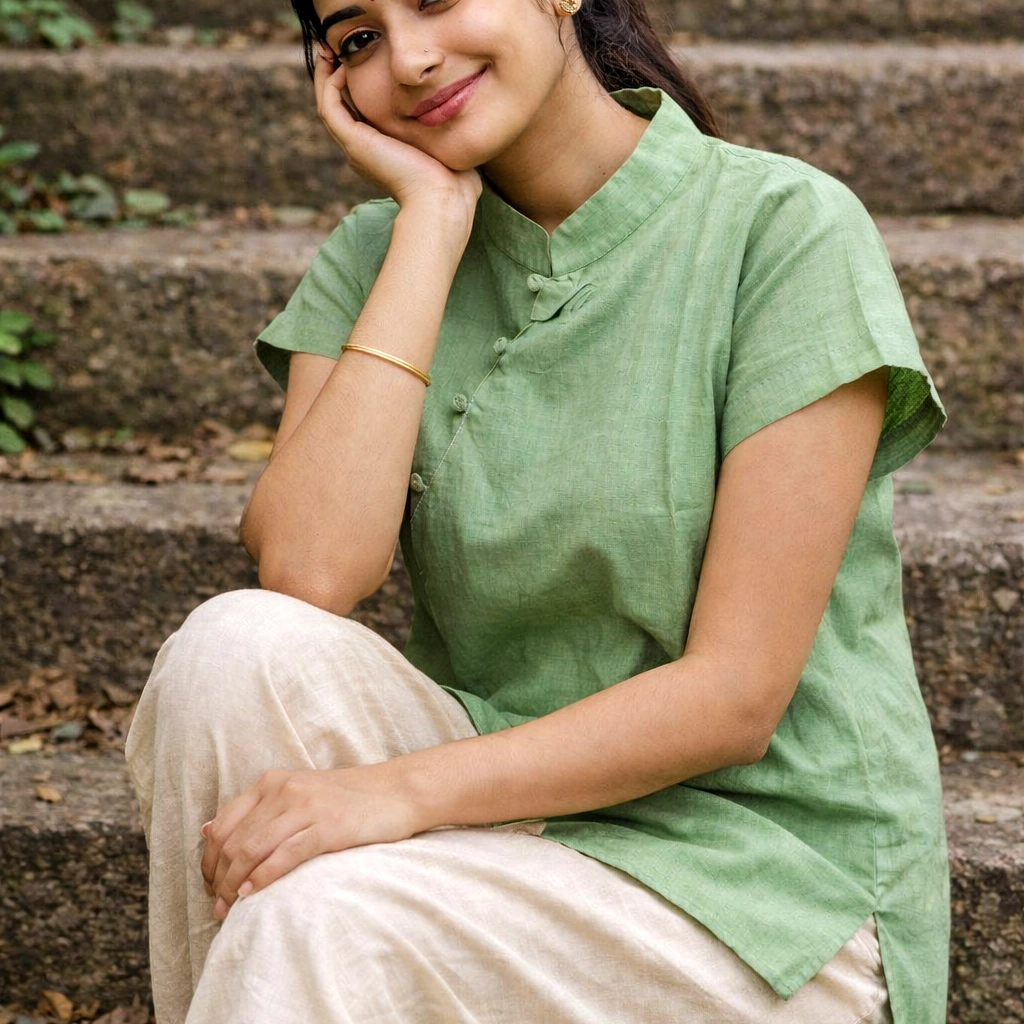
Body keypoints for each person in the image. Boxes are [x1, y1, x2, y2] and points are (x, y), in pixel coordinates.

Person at [124, 0, 951, 1022]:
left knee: (321, 912)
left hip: (765, 882)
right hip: (511, 817)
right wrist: (431, 225)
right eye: (359, 37)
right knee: (233, 648)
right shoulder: (380, 248)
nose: (411, 60)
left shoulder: (779, 227)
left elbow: (735, 698)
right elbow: (310, 571)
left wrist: (395, 792)